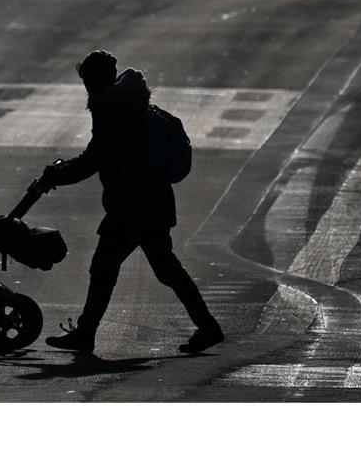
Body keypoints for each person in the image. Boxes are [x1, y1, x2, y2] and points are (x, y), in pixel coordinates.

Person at [38, 50, 224, 355]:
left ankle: (86, 334)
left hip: (131, 206)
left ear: (94, 80)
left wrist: (54, 175)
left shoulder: (110, 110)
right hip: (153, 202)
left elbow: (92, 160)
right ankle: (207, 326)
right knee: (164, 269)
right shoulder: (133, 104)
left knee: (105, 268)